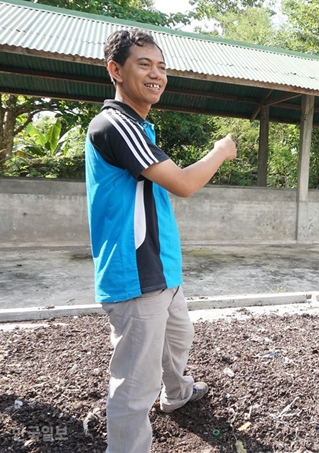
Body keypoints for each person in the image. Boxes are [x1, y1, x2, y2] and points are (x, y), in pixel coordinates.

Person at [84, 29, 237, 453]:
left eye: (162, 66)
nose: (157, 75)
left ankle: (178, 393)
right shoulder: (115, 124)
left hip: (162, 266)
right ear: (115, 70)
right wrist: (221, 151)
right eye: (144, 65)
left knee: (177, 338)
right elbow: (185, 183)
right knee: (135, 384)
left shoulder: (138, 127)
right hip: (136, 272)